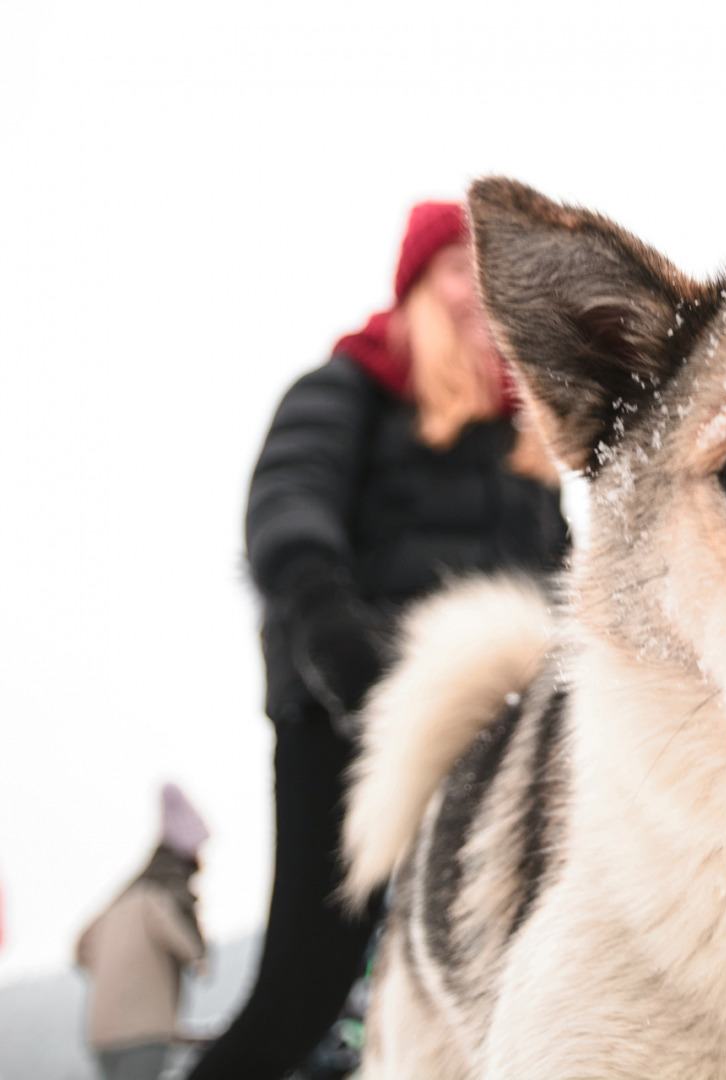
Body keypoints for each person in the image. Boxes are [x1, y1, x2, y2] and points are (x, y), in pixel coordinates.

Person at [186, 201, 568, 1080]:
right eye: (457, 271)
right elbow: (288, 508)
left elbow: (561, 577)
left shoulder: (524, 439)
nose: (478, 294)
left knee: (511, 972)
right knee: (305, 991)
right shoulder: (347, 389)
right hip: (352, 709)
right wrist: (329, 632)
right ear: (417, 286)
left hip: (497, 730)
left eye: (490, 277)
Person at [76, 784, 210, 1080]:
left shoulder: (120, 902)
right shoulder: (155, 899)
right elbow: (186, 945)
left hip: (101, 1033)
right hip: (144, 1033)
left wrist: (112, 969)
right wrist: (199, 959)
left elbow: (80, 943)